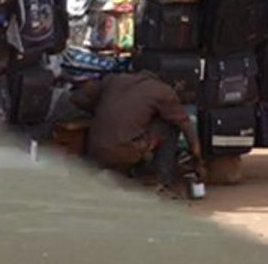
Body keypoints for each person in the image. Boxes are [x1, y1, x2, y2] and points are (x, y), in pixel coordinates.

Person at [69, 71, 204, 196]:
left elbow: (79, 98)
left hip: (95, 149)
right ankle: (162, 180)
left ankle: (135, 167)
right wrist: (198, 160)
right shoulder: (163, 91)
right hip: (126, 150)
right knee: (171, 125)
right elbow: (186, 126)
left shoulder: (113, 80)